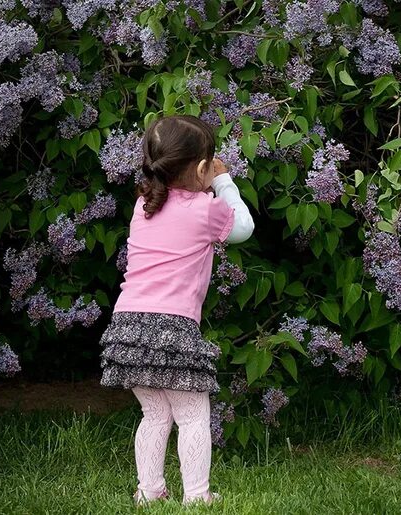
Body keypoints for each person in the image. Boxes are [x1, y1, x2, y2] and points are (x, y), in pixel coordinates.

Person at [97, 114, 255, 506]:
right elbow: (244, 228)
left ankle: (148, 493)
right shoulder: (204, 209)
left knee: (154, 415)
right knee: (192, 415)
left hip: (129, 323)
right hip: (172, 325)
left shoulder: (142, 206)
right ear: (202, 167)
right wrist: (224, 181)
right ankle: (198, 497)